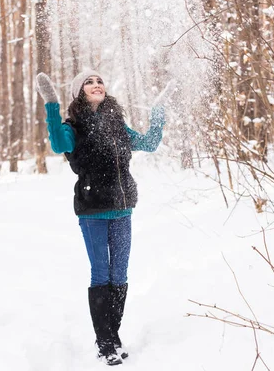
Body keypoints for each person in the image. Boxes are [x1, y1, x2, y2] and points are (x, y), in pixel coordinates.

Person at [36, 70, 175, 366]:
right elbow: (59, 145)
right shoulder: (73, 126)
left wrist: (159, 109)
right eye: (89, 82)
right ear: (80, 92)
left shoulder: (116, 123)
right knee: (101, 273)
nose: (96, 84)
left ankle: (113, 336)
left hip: (123, 208)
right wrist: (51, 103)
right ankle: (105, 344)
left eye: (99, 80)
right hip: (93, 210)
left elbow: (149, 142)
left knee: (120, 274)